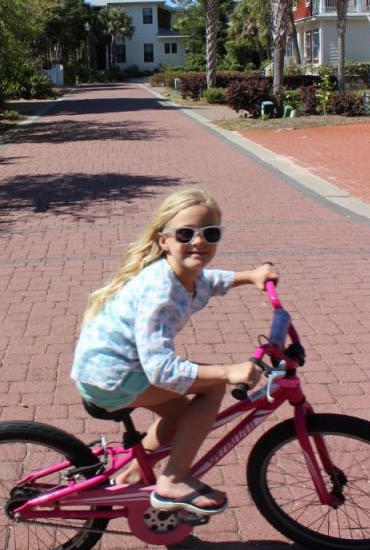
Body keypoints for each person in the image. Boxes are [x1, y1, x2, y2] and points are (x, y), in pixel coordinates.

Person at [71, 188, 278, 516]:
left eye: (210, 234)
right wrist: (227, 372)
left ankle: (135, 475)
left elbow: (209, 279)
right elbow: (161, 370)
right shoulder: (162, 291)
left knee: (185, 418)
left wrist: (250, 276)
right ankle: (174, 480)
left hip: (110, 371)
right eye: (186, 234)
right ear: (163, 240)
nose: (199, 242)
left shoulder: (182, 274)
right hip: (114, 377)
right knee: (212, 387)